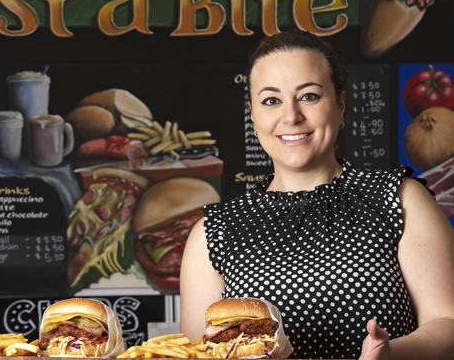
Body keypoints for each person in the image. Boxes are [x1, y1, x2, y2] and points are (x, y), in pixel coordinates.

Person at [180, 29, 454, 359]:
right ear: (252, 114)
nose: (291, 116)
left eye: (309, 96)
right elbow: (194, 354)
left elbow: (447, 322)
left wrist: (391, 353)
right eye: (271, 100)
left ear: (340, 104)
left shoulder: (399, 199)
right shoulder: (214, 233)